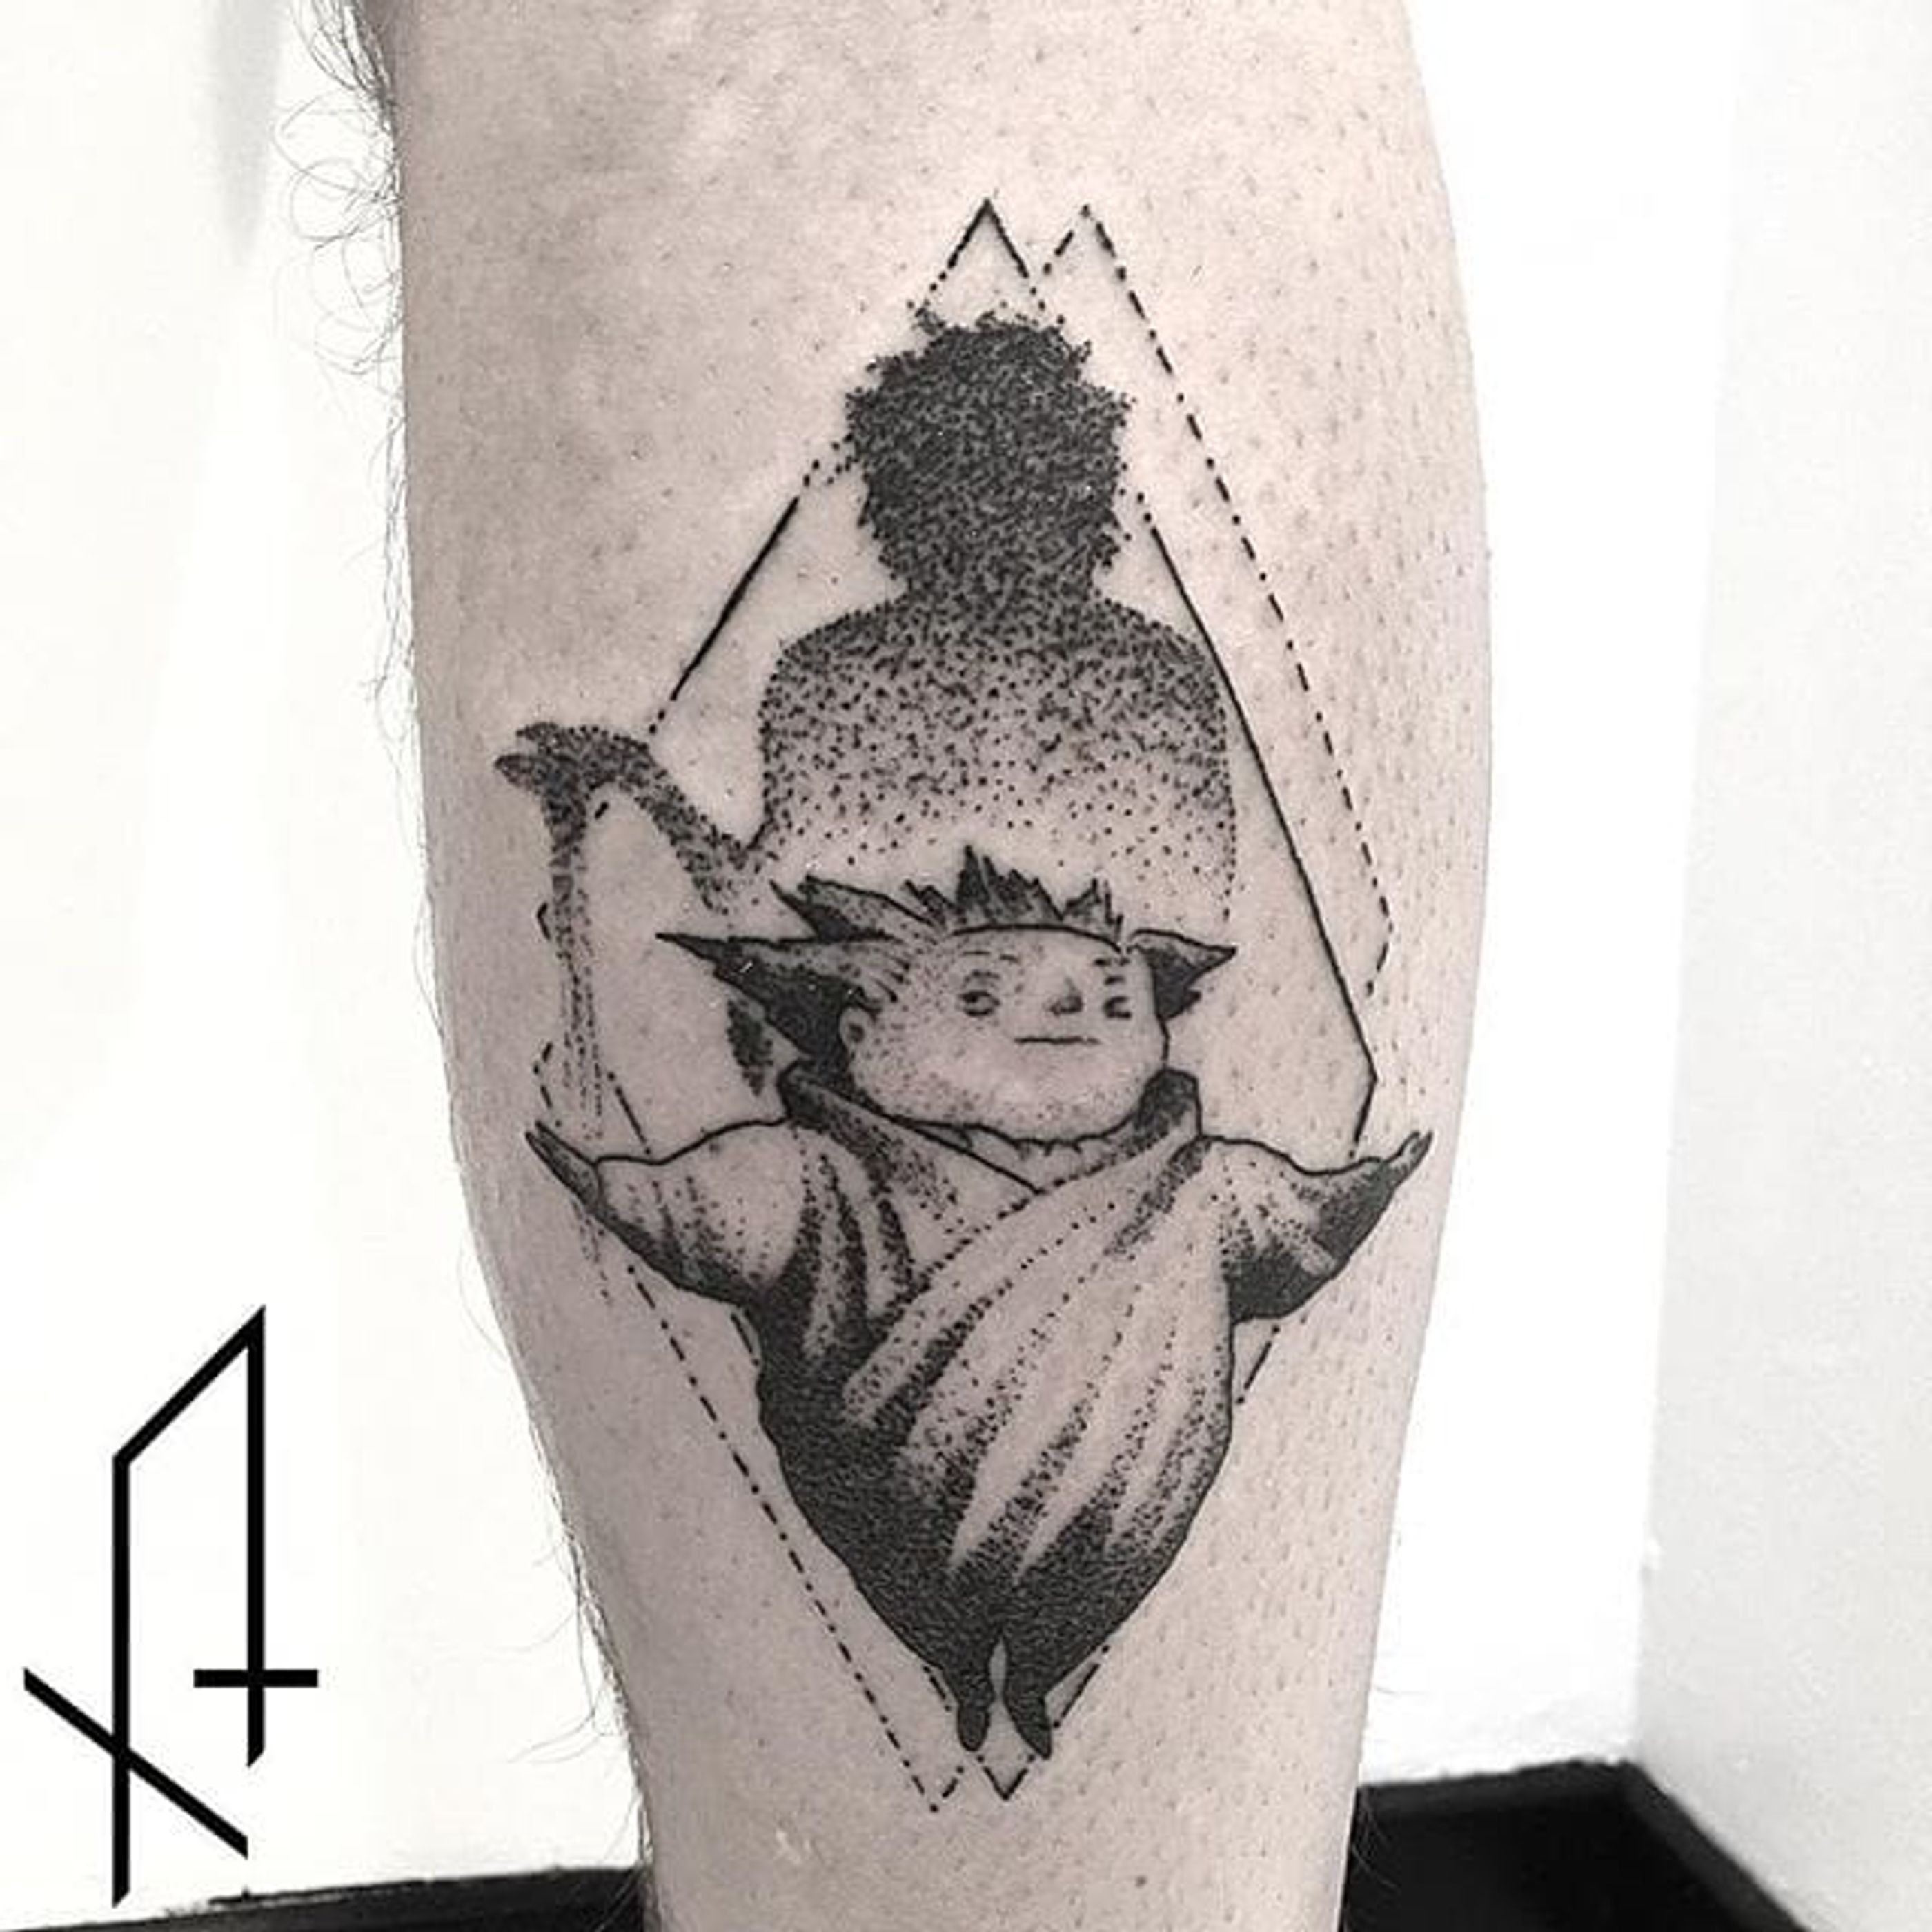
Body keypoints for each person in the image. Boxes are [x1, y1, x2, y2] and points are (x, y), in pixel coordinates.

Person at [346, 0, 1488, 1923]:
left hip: (1050, 1132)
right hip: (908, 1097)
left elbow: (1136, 947)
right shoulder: (871, 683)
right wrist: (646, 805)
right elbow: (787, 913)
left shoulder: (1080, 686)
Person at [528, 853, 1428, 1760]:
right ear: (863, 1031)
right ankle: (962, 1675)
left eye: (1116, 1002)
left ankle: (1031, 1680)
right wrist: (617, 1188)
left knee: (1061, 1615)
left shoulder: (1197, 1189)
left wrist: (1367, 1188)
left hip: (1125, 1498)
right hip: (895, 1486)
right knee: (938, 1618)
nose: (1070, 1013)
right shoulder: (828, 1178)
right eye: (981, 998)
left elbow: (1287, 1220)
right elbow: (722, 1208)